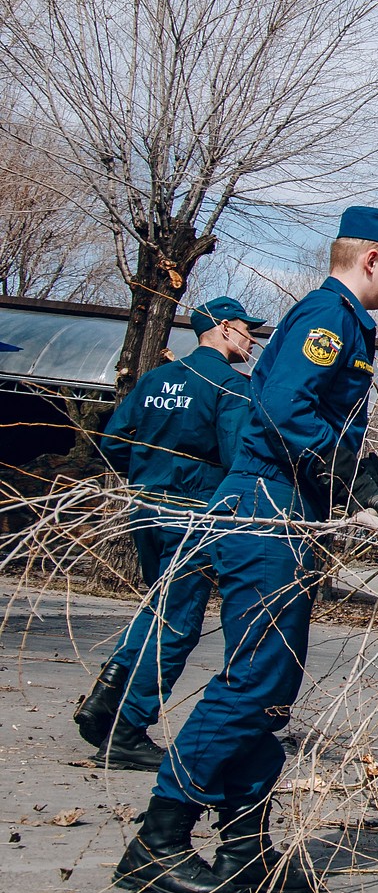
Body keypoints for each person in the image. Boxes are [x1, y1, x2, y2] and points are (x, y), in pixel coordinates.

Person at [112, 206, 378, 893]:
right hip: (265, 510)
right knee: (255, 680)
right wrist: (351, 479)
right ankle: (158, 838)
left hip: (283, 508)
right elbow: (286, 409)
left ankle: (244, 845)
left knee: (274, 686)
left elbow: (314, 419)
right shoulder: (330, 318)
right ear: (373, 259)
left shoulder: (344, 321)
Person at [74, 296, 265, 771]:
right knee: (177, 623)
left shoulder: (155, 379)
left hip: (145, 509)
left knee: (158, 607)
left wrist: (147, 476)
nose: (252, 339)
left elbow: (115, 441)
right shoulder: (228, 385)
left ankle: (106, 695)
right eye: (246, 329)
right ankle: (127, 729)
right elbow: (237, 458)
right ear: (222, 328)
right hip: (193, 515)